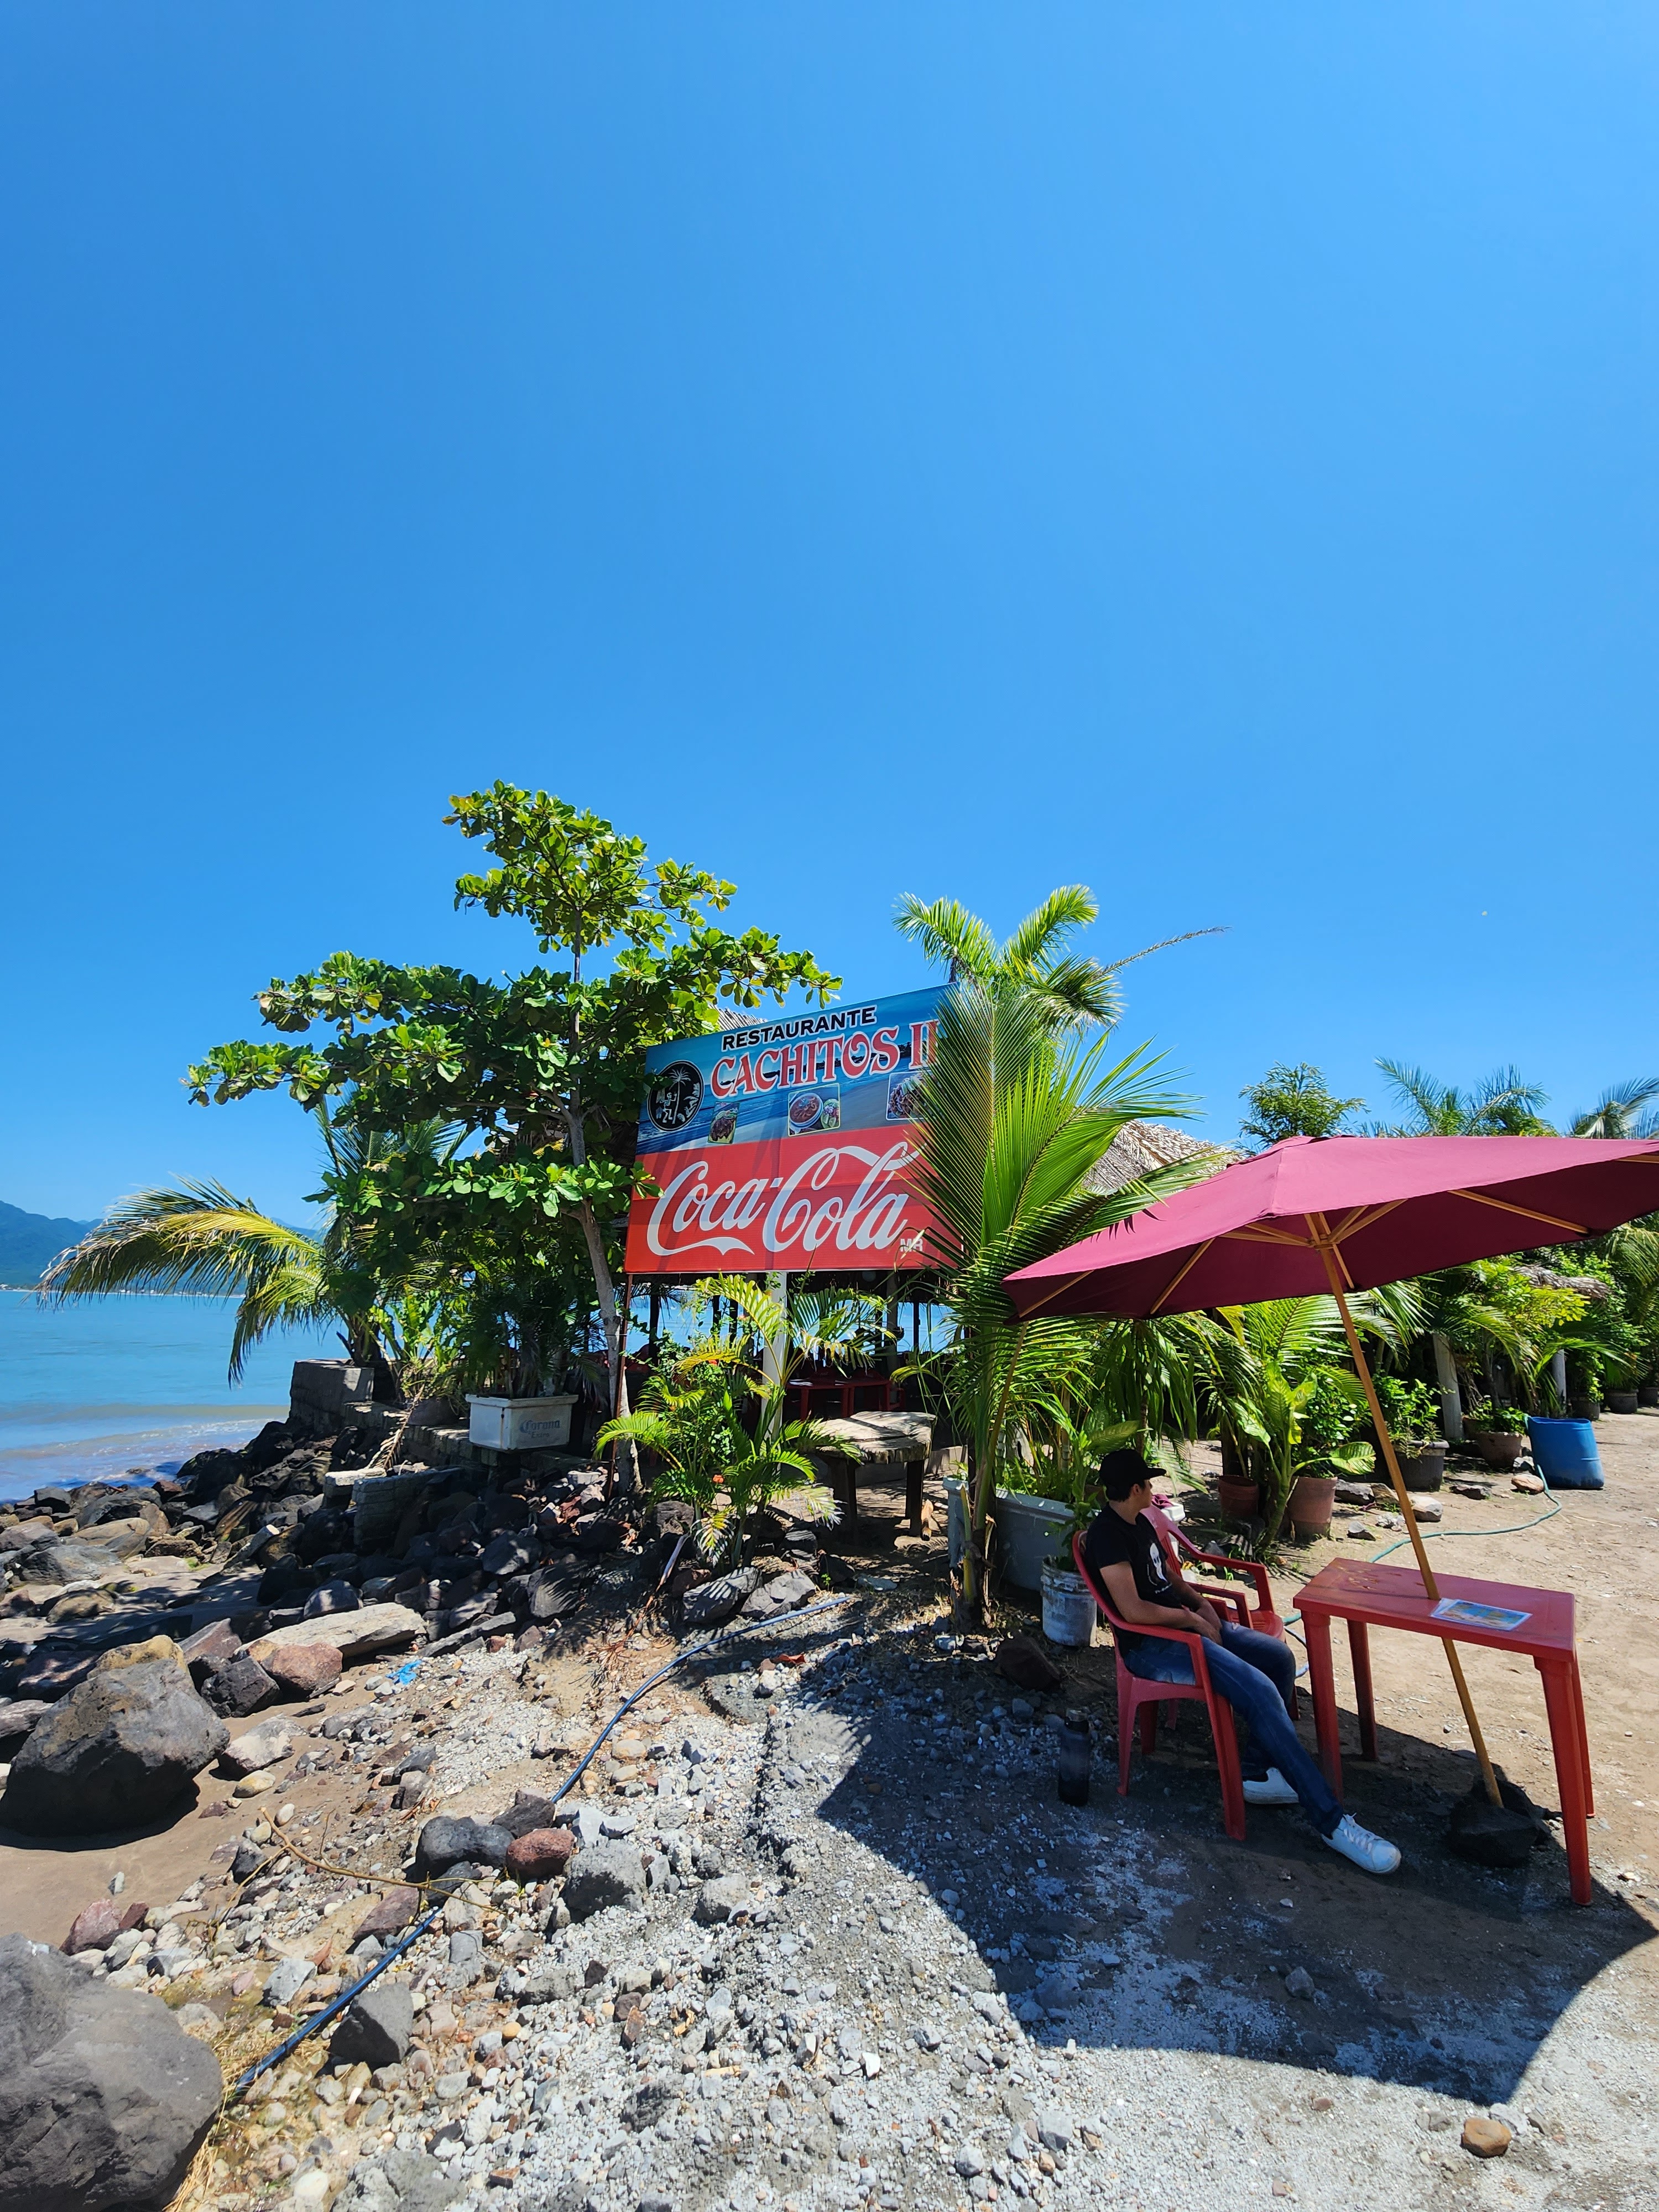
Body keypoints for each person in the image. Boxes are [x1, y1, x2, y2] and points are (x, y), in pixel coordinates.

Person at [1082, 1449, 1401, 1875]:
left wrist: (1199, 1603)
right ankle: (1333, 1822)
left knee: (1278, 1659)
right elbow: (1133, 1611)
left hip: (1186, 1627)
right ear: (1135, 1488)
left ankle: (1254, 1772)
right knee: (1261, 1692)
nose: (1154, 1489)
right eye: (1149, 1483)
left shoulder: (1139, 1522)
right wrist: (1191, 1621)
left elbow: (1166, 1579)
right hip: (1155, 1646)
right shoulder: (1107, 1536)